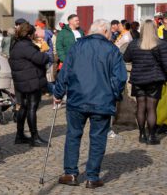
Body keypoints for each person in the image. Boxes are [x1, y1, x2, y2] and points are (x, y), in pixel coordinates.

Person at [54, 19, 127, 189]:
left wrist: (58, 93)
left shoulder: (77, 47)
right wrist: (114, 95)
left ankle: (71, 173)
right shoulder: (112, 49)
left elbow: (65, 72)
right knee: (98, 138)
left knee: (73, 135)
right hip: (101, 100)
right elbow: (120, 78)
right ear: (107, 32)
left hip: (77, 99)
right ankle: (92, 177)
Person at [123, 20, 167, 145]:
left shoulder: (134, 44)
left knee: (141, 106)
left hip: (138, 79)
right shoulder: (162, 44)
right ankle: (152, 136)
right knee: (152, 108)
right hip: (155, 79)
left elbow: (125, 58)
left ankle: (142, 134)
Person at [9, 22, 49, 146]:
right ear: (29, 34)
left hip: (21, 80)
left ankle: (19, 135)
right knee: (32, 107)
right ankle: (34, 137)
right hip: (30, 80)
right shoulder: (26, 46)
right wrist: (43, 49)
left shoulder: (16, 44)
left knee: (23, 106)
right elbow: (41, 59)